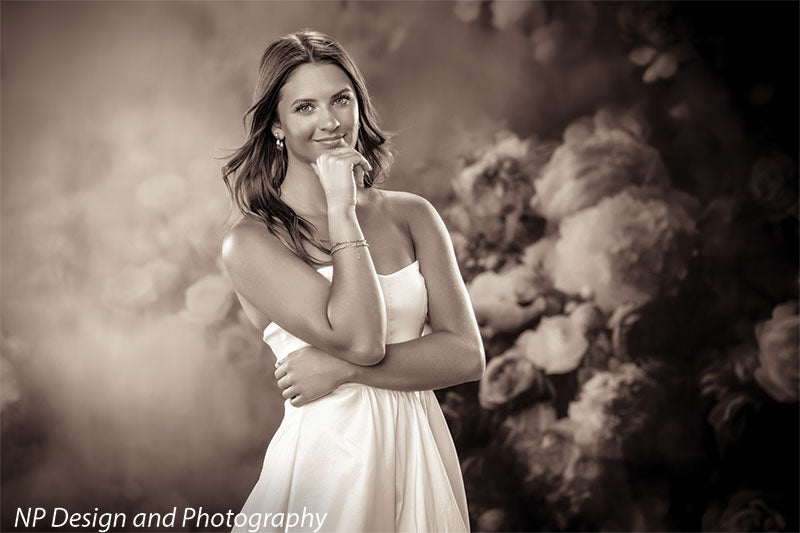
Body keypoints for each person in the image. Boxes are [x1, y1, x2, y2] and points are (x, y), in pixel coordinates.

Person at [220, 29, 485, 533]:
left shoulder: (412, 215)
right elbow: (361, 340)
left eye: (341, 99)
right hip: (331, 461)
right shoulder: (251, 243)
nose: (331, 121)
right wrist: (341, 209)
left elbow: (466, 356)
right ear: (276, 125)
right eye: (305, 107)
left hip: (418, 448)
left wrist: (342, 371)